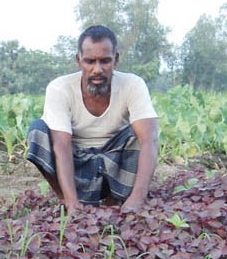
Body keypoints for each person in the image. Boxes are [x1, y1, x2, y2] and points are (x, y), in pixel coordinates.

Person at [26, 25, 159, 214]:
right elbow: (62, 147)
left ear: (116, 60)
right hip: (78, 164)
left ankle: (117, 200)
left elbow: (149, 141)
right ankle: (69, 199)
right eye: (90, 61)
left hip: (116, 164)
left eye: (105, 61)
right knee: (37, 131)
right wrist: (72, 204)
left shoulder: (133, 84)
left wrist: (137, 199)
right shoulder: (59, 88)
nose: (97, 69)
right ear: (78, 61)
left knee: (143, 132)